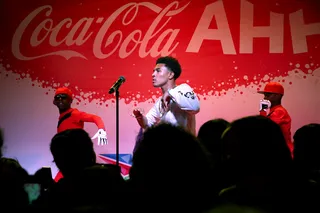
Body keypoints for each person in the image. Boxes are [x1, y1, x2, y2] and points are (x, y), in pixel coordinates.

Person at [132, 56, 200, 135]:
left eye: (158, 71)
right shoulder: (160, 102)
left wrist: (170, 93)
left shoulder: (183, 89)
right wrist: (139, 117)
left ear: (170, 75)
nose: (153, 74)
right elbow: (147, 124)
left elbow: (195, 107)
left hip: (185, 145)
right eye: (153, 71)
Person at [53, 87, 108, 181]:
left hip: (77, 160)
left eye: (63, 97)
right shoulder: (62, 117)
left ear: (70, 100)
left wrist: (102, 130)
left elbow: (95, 118)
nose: (60, 99)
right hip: (67, 160)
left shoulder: (74, 114)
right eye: (58, 97)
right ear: (54, 101)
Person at [258, 82, 293, 156]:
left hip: (283, 152)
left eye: (268, 95)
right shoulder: (274, 110)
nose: (265, 98)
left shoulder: (279, 111)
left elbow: (263, 128)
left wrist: (262, 111)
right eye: (264, 95)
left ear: (277, 96)